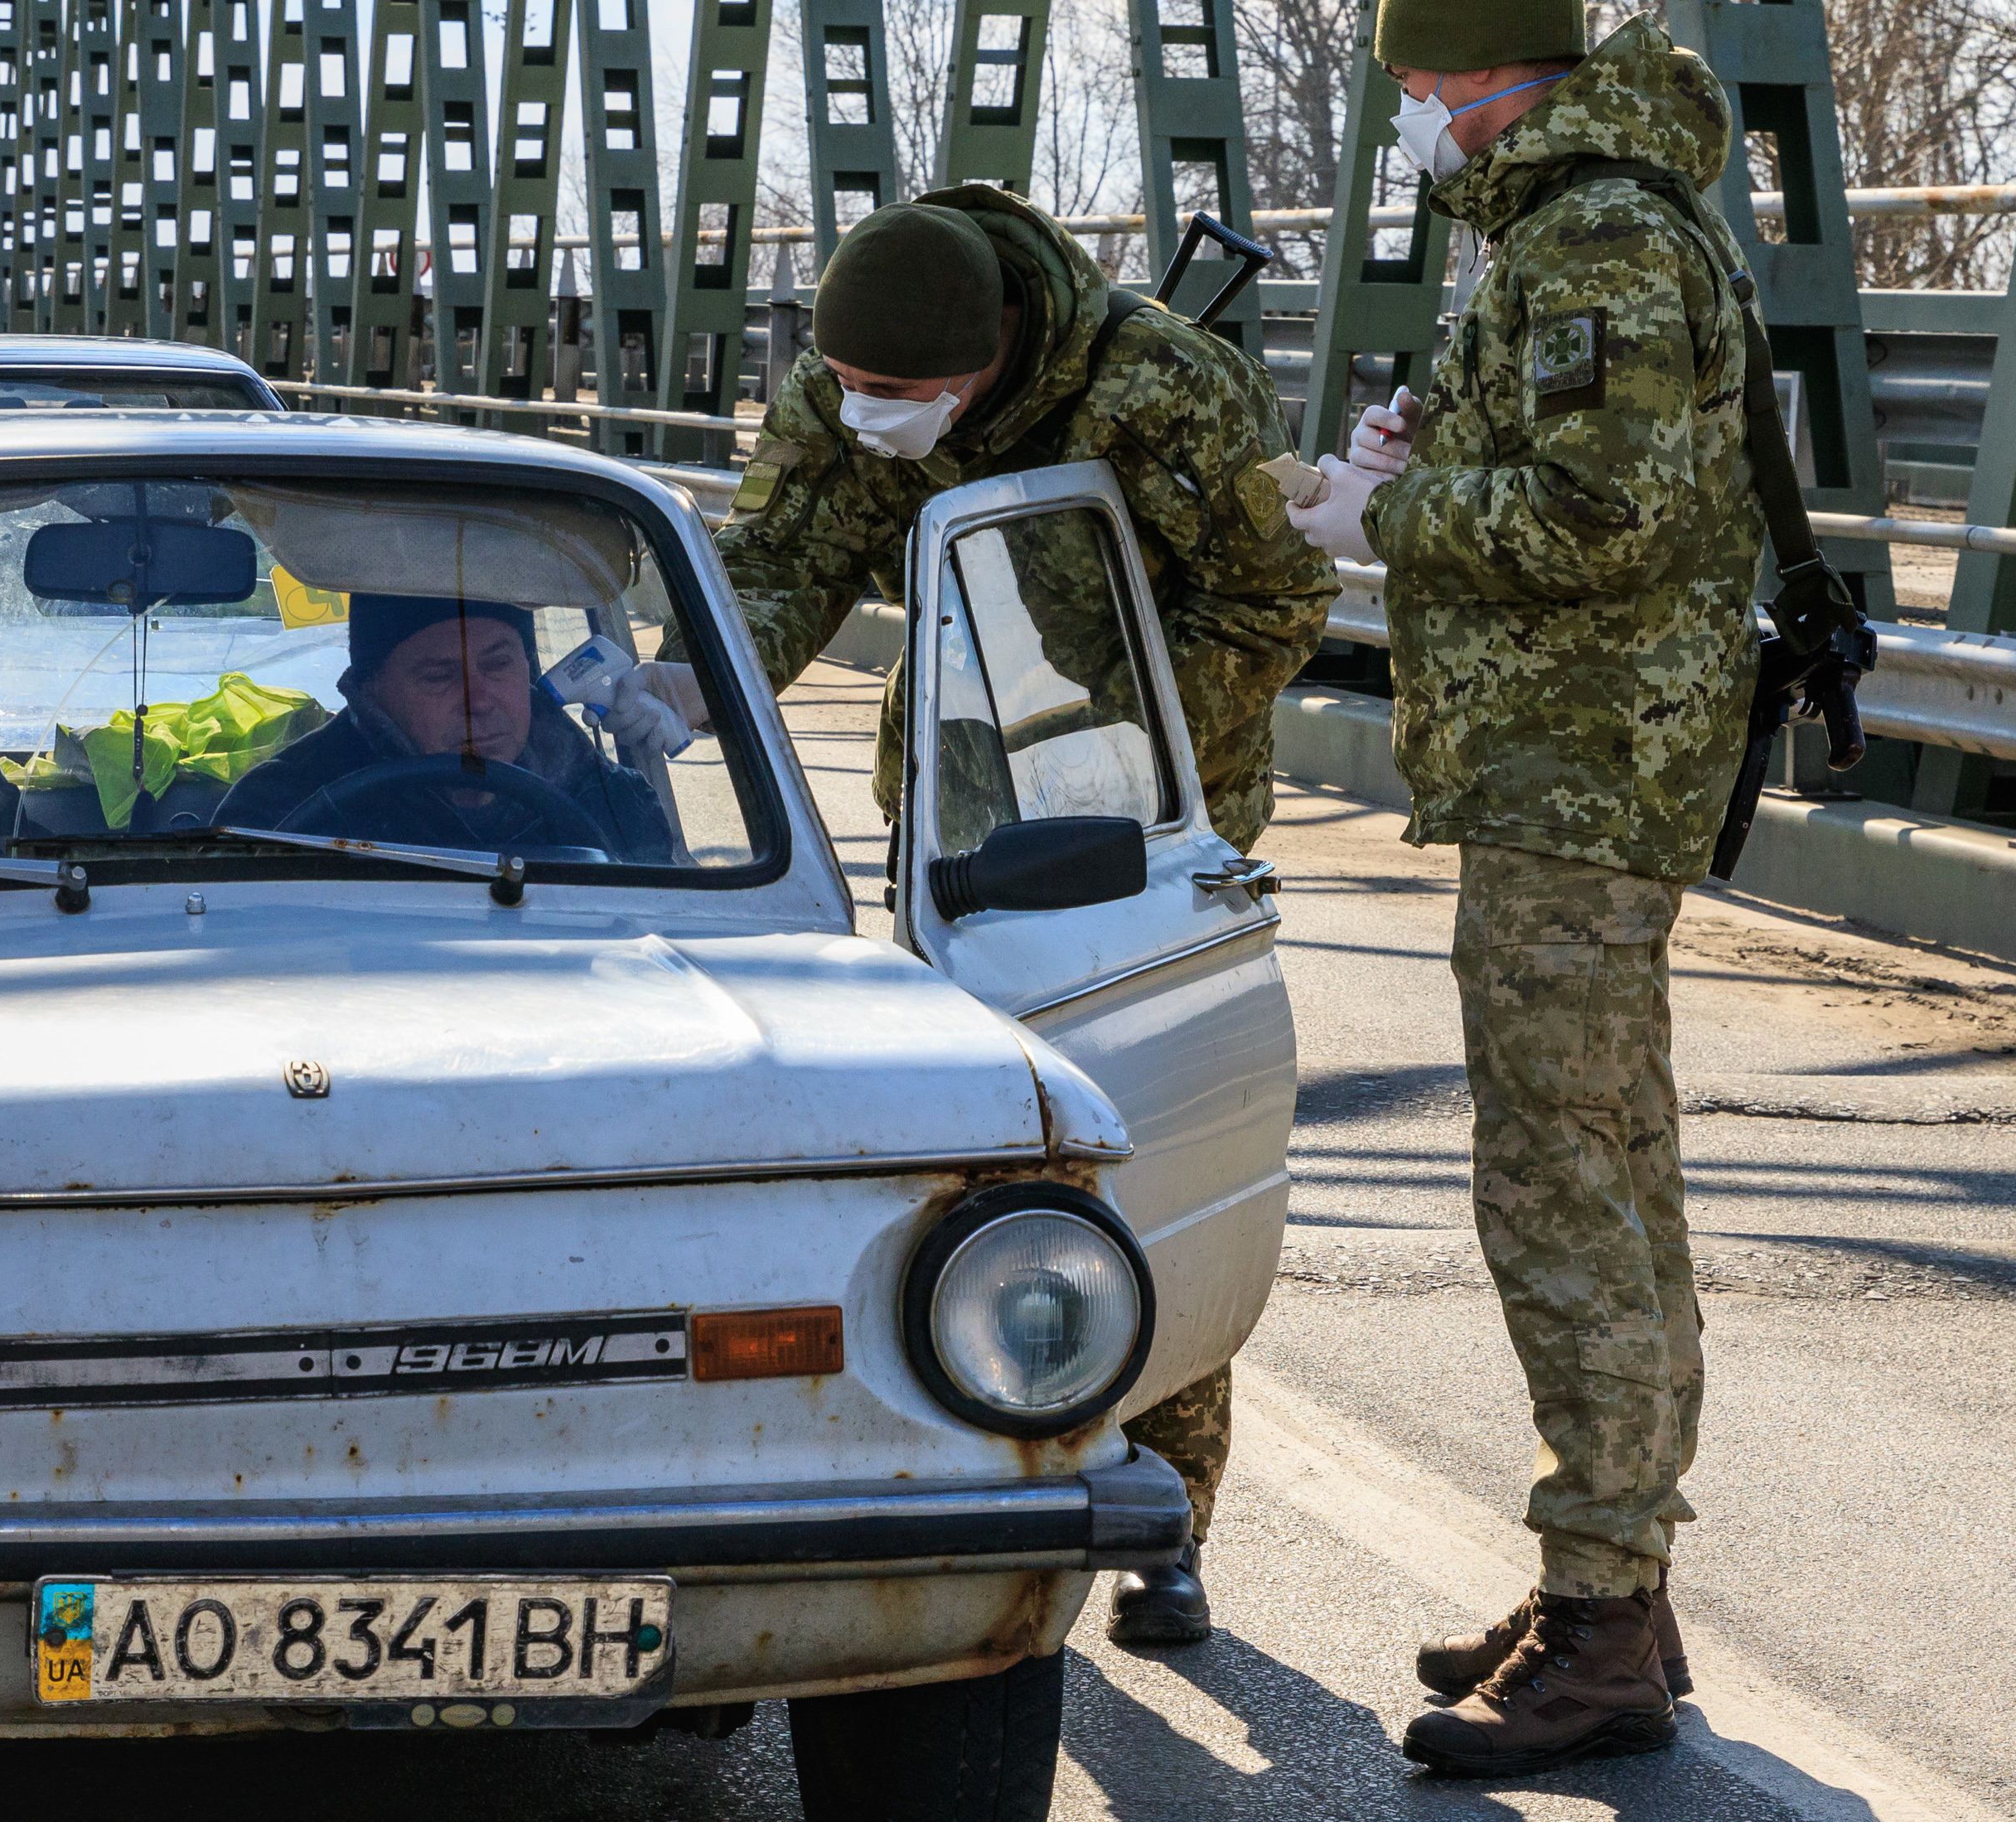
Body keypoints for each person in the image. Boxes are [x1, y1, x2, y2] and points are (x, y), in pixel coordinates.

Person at [713, 182, 1338, 1649]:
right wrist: (675, 692)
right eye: (846, 386)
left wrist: (1124, 744)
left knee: (1136, 1140)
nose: (864, 414)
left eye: (898, 394)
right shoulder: (848, 383)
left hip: (1149, 814)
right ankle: (968, 1438)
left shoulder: (1159, 388)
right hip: (957, 806)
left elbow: (1272, 597)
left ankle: (1166, 1510)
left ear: (988, 351)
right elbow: (778, 558)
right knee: (978, 1142)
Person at [1281, 0, 1759, 1777]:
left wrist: (1372, 516)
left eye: (1412, 85)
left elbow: (1594, 519)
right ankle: (1613, 1584)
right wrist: (1430, 453)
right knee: (1611, 1170)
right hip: (1564, 761)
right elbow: (1571, 472)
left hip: (1582, 764)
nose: (1408, 114)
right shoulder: (1573, 221)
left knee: (1556, 1191)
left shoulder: (1597, 232)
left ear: (1481, 75)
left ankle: (1598, 1628)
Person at [218, 592, 680, 864]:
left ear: (528, 668)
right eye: (438, 676)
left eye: (498, 665)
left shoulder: (613, 801)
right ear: (372, 693)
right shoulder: (275, 814)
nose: (478, 701)